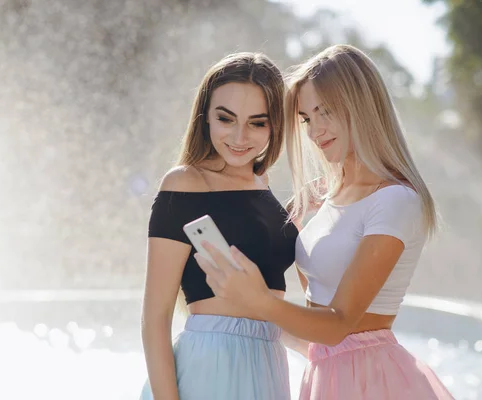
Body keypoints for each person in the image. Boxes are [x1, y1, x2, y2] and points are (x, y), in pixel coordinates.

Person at [195, 45, 455, 399]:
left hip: (370, 380)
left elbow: (337, 325)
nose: (315, 131)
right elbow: (314, 311)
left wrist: (259, 300)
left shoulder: (396, 200)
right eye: (305, 118)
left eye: (325, 112)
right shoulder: (330, 199)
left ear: (361, 107)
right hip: (328, 374)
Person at [140, 52, 299, 400]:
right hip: (211, 364)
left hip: (269, 362)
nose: (240, 137)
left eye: (258, 122)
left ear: (276, 124)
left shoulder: (263, 185)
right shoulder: (185, 184)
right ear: (205, 118)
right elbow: (156, 317)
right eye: (226, 119)